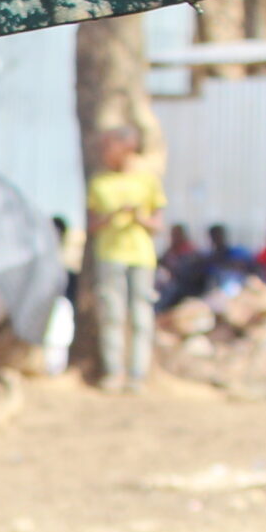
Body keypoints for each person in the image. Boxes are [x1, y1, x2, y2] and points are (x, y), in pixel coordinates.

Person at [85, 126, 163, 392]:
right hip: (109, 254)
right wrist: (111, 216)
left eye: (108, 147)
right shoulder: (99, 182)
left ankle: (137, 373)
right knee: (112, 314)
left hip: (141, 256)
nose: (104, 153)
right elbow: (90, 224)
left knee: (141, 314)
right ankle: (114, 372)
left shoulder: (147, 180)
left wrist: (140, 218)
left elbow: (158, 223)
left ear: (125, 148)